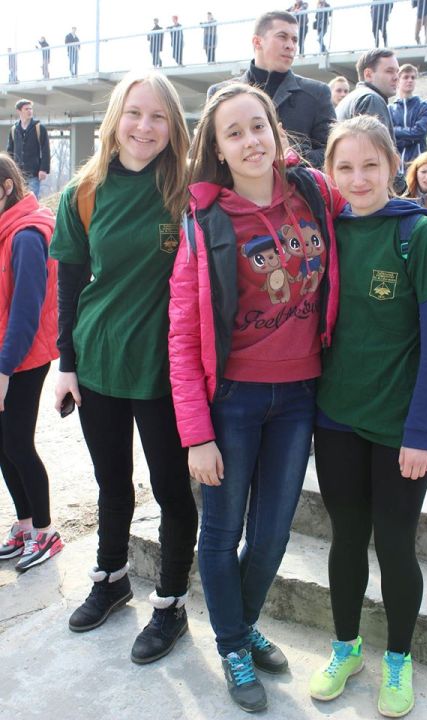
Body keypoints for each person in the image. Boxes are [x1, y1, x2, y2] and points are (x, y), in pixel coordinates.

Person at [169, 82, 343, 713]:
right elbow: (182, 334)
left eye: (258, 126)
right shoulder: (205, 221)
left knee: (271, 535)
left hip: (299, 395)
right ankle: (234, 645)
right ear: (217, 148)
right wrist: (197, 434)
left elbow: (372, 198)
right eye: (234, 132)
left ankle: (237, 627)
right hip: (233, 401)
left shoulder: (313, 193)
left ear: (276, 130)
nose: (250, 141)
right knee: (222, 532)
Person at [309, 115, 427, 718]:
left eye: (370, 165)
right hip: (337, 419)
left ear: (394, 165)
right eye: (345, 167)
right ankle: (345, 648)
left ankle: (398, 658)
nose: (359, 178)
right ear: (329, 172)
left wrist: (421, 432)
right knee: (345, 539)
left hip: (403, 428)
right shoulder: (328, 232)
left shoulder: (420, 235)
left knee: (394, 545)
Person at [50, 71, 198, 665]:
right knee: (111, 482)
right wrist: (66, 363)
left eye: (158, 116)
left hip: (165, 371)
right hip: (98, 362)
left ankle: (171, 603)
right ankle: (111, 578)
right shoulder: (83, 192)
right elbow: (69, 283)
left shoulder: (188, 189)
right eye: (135, 113)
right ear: (116, 117)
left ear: (174, 126)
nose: (144, 126)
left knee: (171, 489)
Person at [0, 153, 63, 572]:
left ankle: (44, 530)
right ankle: (24, 524)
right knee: (3, 445)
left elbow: (25, 311)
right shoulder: (6, 229)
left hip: (22, 356)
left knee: (18, 444)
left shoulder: (25, 235)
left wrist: (4, 369)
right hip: (6, 354)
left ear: (6, 187)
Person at [208, 11, 335, 169]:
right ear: (257, 42)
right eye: (282, 37)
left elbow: (332, 154)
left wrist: (291, 154)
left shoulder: (317, 93)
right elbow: (207, 152)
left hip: (295, 184)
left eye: (295, 39)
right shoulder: (220, 94)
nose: (291, 46)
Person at [336, 48, 406, 194]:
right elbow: (378, 154)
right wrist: (403, 191)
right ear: (368, 74)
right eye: (389, 71)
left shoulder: (351, 98)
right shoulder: (371, 99)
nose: (396, 77)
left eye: (397, 72)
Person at [389, 63, 427, 173]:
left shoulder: (424, 107)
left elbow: (420, 132)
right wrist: (411, 138)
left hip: (418, 164)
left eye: (413, 77)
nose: (410, 80)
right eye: (406, 77)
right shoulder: (389, 109)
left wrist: (396, 131)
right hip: (395, 166)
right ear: (398, 81)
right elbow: (388, 136)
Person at [7, 99, 51, 199]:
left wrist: (43, 169)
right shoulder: (14, 129)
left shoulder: (39, 128)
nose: (29, 111)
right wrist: (9, 170)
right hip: (17, 174)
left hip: (34, 174)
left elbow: (46, 150)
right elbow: (10, 152)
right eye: (26, 109)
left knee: (32, 200)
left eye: (31, 109)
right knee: (18, 200)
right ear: (19, 111)